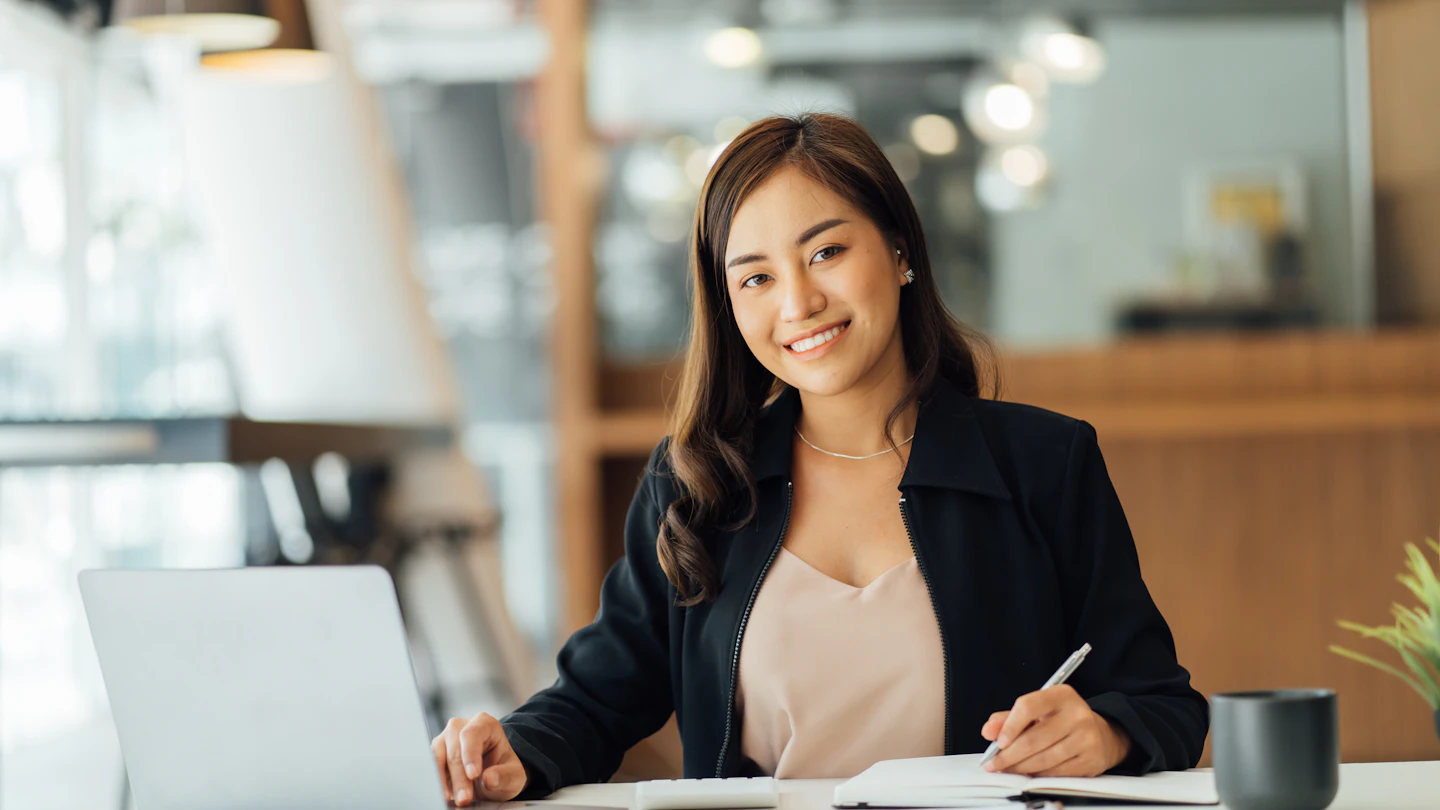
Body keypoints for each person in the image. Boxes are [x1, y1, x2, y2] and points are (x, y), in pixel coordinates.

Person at [431, 113, 1208, 805]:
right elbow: (596, 702)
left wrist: (1105, 733)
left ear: (901, 252)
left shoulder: (1044, 462)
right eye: (757, 277)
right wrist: (517, 749)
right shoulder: (695, 483)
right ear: (730, 307)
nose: (797, 303)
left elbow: (1163, 703)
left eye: (827, 251)